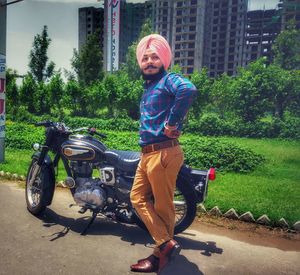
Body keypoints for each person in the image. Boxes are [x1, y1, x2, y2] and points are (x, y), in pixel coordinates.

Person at [130, 34, 197, 274]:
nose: (149, 61)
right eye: (145, 58)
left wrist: (172, 122)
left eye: (155, 57)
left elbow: (188, 89)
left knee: (163, 206)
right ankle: (166, 243)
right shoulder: (150, 87)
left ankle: (160, 256)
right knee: (137, 197)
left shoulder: (169, 80)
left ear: (164, 60)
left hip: (164, 153)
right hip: (147, 153)